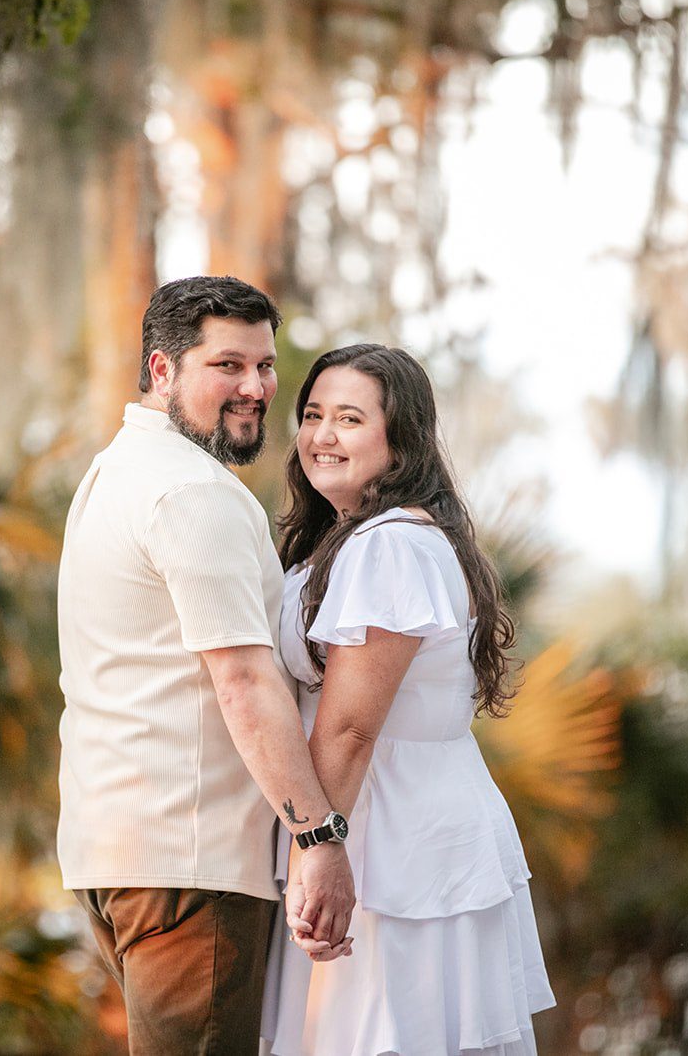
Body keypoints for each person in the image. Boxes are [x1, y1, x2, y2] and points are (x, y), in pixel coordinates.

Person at [57, 276, 358, 1055]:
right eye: (228, 365)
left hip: (119, 852)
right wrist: (319, 835)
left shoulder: (115, 472)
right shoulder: (192, 492)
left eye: (265, 365)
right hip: (191, 866)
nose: (256, 387)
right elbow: (245, 682)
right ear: (162, 369)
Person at [260, 344, 557, 1056]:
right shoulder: (352, 540)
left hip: (392, 845)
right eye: (312, 415)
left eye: (349, 418)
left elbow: (351, 727)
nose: (322, 435)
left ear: (402, 440)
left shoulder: (390, 546)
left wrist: (316, 848)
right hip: (373, 824)